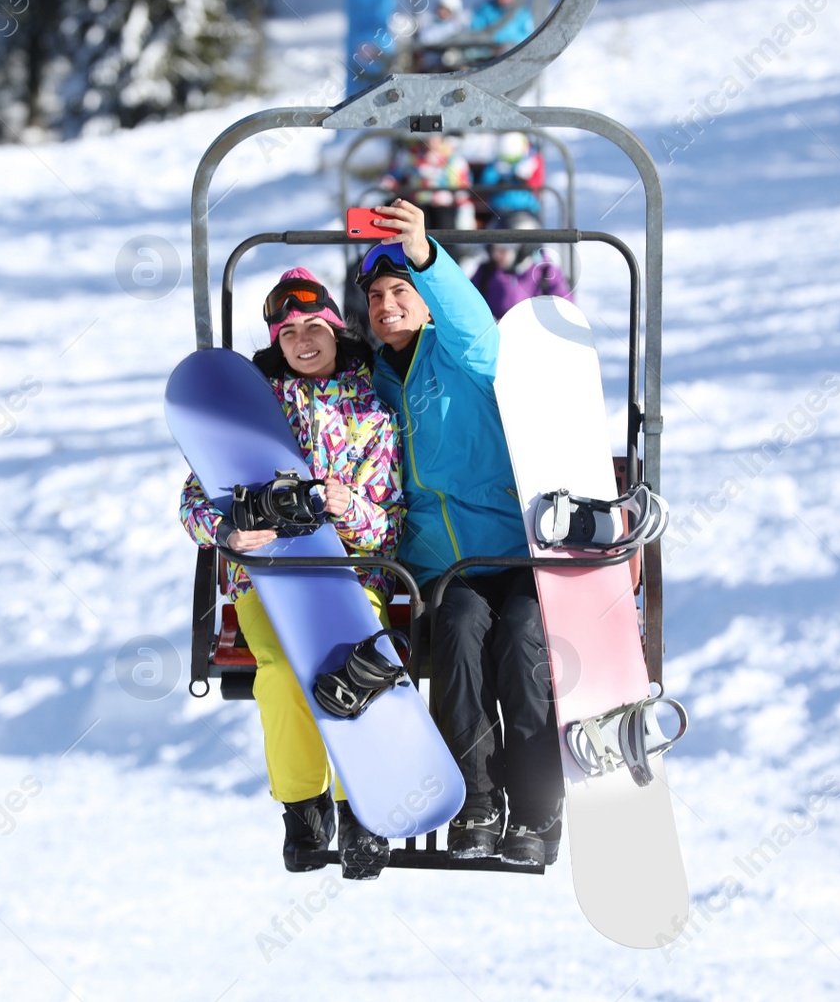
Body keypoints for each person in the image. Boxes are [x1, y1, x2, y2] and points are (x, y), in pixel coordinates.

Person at [178, 269, 407, 880]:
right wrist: (228, 533)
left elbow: (387, 524)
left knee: (351, 670)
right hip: (270, 579)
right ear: (275, 344)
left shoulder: (374, 410)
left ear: (335, 327)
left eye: (313, 327)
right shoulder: (249, 413)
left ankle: (361, 807)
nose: (303, 341)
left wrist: (345, 507)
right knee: (280, 672)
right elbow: (194, 503)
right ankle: (304, 811)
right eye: (288, 334)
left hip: (352, 573)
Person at [355, 199, 563, 868]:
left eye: (400, 293)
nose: (387, 306)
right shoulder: (375, 382)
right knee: (458, 630)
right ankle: (477, 800)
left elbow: (475, 325)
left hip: (512, 549)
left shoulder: (465, 357)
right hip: (445, 566)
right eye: (376, 298)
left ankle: (536, 805)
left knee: (524, 634)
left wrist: (425, 256)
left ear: (424, 299)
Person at [471, 212, 572, 320]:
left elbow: (566, 312)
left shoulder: (546, 274)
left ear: (524, 249)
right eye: (493, 249)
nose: (496, 254)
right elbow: (468, 303)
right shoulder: (486, 273)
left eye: (503, 250)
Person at [379, 135, 476, 232]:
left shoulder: (453, 157)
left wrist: (461, 203)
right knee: (415, 220)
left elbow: (463, 183)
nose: (431, 138)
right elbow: (394, 174)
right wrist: (388, 184)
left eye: (435, 135)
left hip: (444, 205)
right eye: (428, 134)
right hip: (416, 202)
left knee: (443, 224)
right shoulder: (411, 154)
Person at [475, 131, 544, 219]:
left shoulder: (532, 162)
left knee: (523, 227)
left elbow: (538, 186)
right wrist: (497, 180)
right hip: (499, 210)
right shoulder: (497, 164)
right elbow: (485, 183)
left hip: (525, 210)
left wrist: (524, 180)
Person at [467, 0, 535, 57]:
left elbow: (528, 37)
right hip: (487, 56)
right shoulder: (484, 10)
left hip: (515, 55)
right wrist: (491, 47)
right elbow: (474, 34)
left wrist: (509, 45)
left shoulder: (522, 14)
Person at [413, 0, 470, 71]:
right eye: (440, 7)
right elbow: (422, 42)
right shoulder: (429, 26)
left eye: (445, 9)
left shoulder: (456, 29)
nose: (440, 11)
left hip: (448, 69)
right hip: (428, 69)